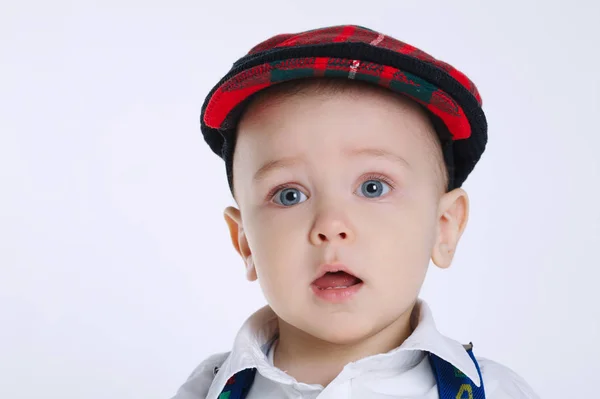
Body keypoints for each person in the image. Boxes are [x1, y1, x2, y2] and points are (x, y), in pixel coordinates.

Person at [172, 25, 539, 399]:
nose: (331, 225)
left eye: (372, 187)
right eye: (288, 195)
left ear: (443, 227)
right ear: (245, 242)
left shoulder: (495, 391)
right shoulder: (206, 390)